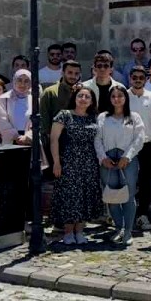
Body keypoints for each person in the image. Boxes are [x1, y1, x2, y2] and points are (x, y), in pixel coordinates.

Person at [50, 87, 104, 245]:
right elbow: (54, 140)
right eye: (80, 95)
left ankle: (80, 231)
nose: (83, 99)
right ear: (75, 97)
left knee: (85, 197)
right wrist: (56, 162)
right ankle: (68, 233)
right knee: (70, 197)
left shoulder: (94, 118)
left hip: (89, 163)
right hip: (69, 162)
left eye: (87, 96)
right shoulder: (64, 115)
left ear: (92, 101)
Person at [95, 86, 146, 245]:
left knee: (128, 196)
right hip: (108, 160)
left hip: (127, 160)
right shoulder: (103, 117)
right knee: (112, 195)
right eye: (113, 96)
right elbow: (97, 139)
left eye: (120, 96)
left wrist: (127, 156)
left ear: (126, 98)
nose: (117, 99)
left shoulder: (134, 117)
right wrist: (103, 158)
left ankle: (128, 231)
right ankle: (119, 228)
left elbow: (139, 138)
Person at [126, 65, 151, 233]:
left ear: (146, 79)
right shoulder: (124, 96)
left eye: (141, 77)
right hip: (128, 144)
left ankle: (142, 214)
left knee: (146, 181)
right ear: (130, 78)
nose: (138, 80)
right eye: (135, 77)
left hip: (148, 144)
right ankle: (127, 214)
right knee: (129, 180)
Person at [39, 60, 82, 172]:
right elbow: (44, 120)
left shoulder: (83, 93)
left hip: (78, 145)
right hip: (56, 144)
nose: (73, 76)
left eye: (76, 73)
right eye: (70, 72)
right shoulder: (50, 92)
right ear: (63, 73)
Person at [0, 69, 35, 146]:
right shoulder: (2, 100)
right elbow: (2, 122)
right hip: (10, 142)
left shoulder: (35, 100)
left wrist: (28, 136)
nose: (22, 84)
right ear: (14, 81)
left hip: (30, 142)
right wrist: (17, 137)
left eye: (26, 81)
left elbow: (38, 122)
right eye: (19, 80)